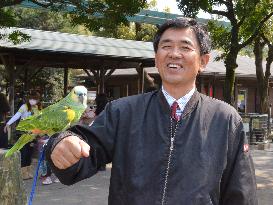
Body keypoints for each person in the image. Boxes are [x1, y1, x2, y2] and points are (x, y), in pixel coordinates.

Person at [45, 18, 257, 205]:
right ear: (156, 58)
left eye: (185, 47)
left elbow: (241, 194)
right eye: (166, 46)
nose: (174, 54)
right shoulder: (122, 112)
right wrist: (61, 143)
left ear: (203, 61)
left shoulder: (226, 120)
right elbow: (84, 150)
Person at [4, 91, 42, 180]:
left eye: (35, 99)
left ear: (38, 100)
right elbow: (17, 115)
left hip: (33, 134)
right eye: (31, 98)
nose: (33, 100)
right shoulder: (24, 107)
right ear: (28, 99)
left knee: (30, 153)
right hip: (23, 133)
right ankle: (22, 172)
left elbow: (40, 119)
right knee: (24, 153)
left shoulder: (38, 108)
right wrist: (8, 124)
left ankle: (28, 172)